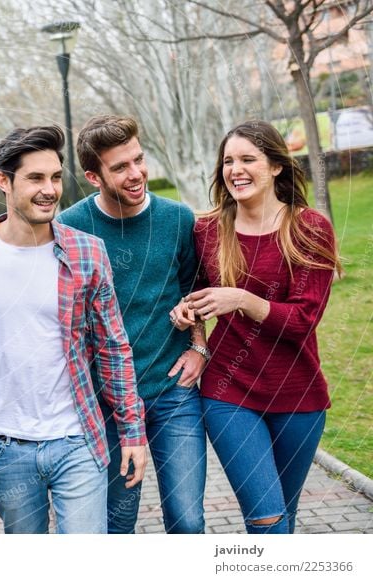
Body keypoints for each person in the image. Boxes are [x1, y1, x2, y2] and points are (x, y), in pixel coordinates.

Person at [0, 116, 209, 534]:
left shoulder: (178, 219)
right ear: (93, 176)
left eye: (138, 160)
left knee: (187, 518)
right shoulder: (69, 229)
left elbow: (192, 286)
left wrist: (198, 345)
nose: (136, 174)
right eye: (120, 167)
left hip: (171, 390)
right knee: (116, 522)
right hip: (101, 401)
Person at [0, 125, 147, 534]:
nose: (49, 189)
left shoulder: (87, 252)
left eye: (55, 177)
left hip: (78, 439)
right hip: (6, 444)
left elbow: (112, 347)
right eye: (35, 178)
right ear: (4, 181)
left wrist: (132, 432)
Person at [170, 120, 341, 534]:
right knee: (265, 517)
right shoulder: (208, 229)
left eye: (248, 159)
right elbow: (193, 290)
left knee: (284, 515)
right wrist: (189, 316)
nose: (235, 169)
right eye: (228, 161)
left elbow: (303, 319)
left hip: (298, 395)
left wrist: (242, 299)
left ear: (276, 167)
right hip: (229, 393)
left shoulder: (309, 228)